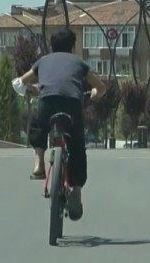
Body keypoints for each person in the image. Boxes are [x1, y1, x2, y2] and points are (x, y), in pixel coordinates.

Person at [18, 28, 105, 221]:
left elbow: (22, 81)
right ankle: (77, 191)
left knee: (38, 126)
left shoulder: (43, 61)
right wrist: (94, 96)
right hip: (73, 103)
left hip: (47, 100)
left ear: (52, 45)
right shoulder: (79, 63)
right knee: (77, 147)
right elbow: (101, 87)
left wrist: (35, 88)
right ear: (72, 47)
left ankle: (39, 163)